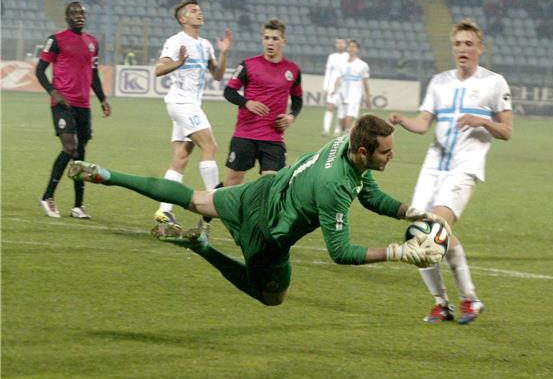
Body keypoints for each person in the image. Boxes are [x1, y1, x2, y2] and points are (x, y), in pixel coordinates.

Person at [68, 114, 449, 306]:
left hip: (256, 193)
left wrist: (411, 213)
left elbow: (369, 195)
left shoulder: (345, 146)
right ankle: (202, 246)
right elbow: (341, 252)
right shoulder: (334, 186)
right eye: (386, 151)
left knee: (195, 199)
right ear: (364, 151)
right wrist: (400, 252)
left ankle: (105, 174)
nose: (392, 156)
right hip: (266, 233)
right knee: (271, 297)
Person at [388, 18, 513, 324]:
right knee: (421, 236)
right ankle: (442, 304)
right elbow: (422, 124)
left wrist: (482, 121)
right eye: (458, 43)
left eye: (469, 44)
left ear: (480, 48)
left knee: (433, 229)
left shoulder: (494, 83)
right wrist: (404, 121)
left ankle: (470, 299)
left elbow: (507, 131)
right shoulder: (439, 82)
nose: (462, 49)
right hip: (432, 168)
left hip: (464, 169)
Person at [153, 0, 233, 235]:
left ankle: (164, 209)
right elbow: (158, 69)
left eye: (200, 10)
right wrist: (178, 62)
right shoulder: (176, 41)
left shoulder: (206, 44)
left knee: (181, 157)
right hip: (181, 102)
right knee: (210, 146)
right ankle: (215, 204)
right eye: (193, 11)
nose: (199, 13)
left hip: (190, 104)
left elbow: (218, 75)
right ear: (183, 18)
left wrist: (224, 53)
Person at [36, 1, 111, 219]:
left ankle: (78, 206)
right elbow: (39, 71)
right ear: (67, 18)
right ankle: (47, 196)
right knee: (69, 147)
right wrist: (53, 93)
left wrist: (103, 99)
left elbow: (93, 74)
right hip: (63, 103)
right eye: (74, 13)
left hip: (83, 105)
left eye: (82, 13)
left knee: (80, 155)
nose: (79, 16)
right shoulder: (56, 40)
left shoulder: (92, 42)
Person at [222, 18, 302, 187]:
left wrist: (291, 117)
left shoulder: (293, 70)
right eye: (266, 38)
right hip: (245, 135)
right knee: (231, 184)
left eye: (275, 38)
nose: (270, 42)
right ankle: (207, 211)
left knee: (273, 185)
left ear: (283, 41)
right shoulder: (248, 65)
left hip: (273, 137)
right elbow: (228, 91)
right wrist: (247, 103)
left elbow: (297, 99)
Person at [330, 40, 371, 134]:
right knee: (342, 119)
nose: (351, 49)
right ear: (347, 48)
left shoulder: (362, 65)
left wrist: (368, 97)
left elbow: (365, 82)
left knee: (349, 116)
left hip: (355, 95)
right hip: (342, 94)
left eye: (354, 47)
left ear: (358, 49)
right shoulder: (341, 64)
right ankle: (347, 134)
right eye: (350, 46)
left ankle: (347, 139)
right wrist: (334, 90)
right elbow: (338, 78)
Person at [321, 38, 348, 137]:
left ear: (345, 45)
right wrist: (325, 87)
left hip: (343, 86)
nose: (340, 45)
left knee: (341, 109)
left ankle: (337, 130)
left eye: (342, 43)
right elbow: (328, 73)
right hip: (332, 85)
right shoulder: (332, 57)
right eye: (338, 43)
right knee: (329, 107)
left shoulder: (348, 57)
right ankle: (326, 130)